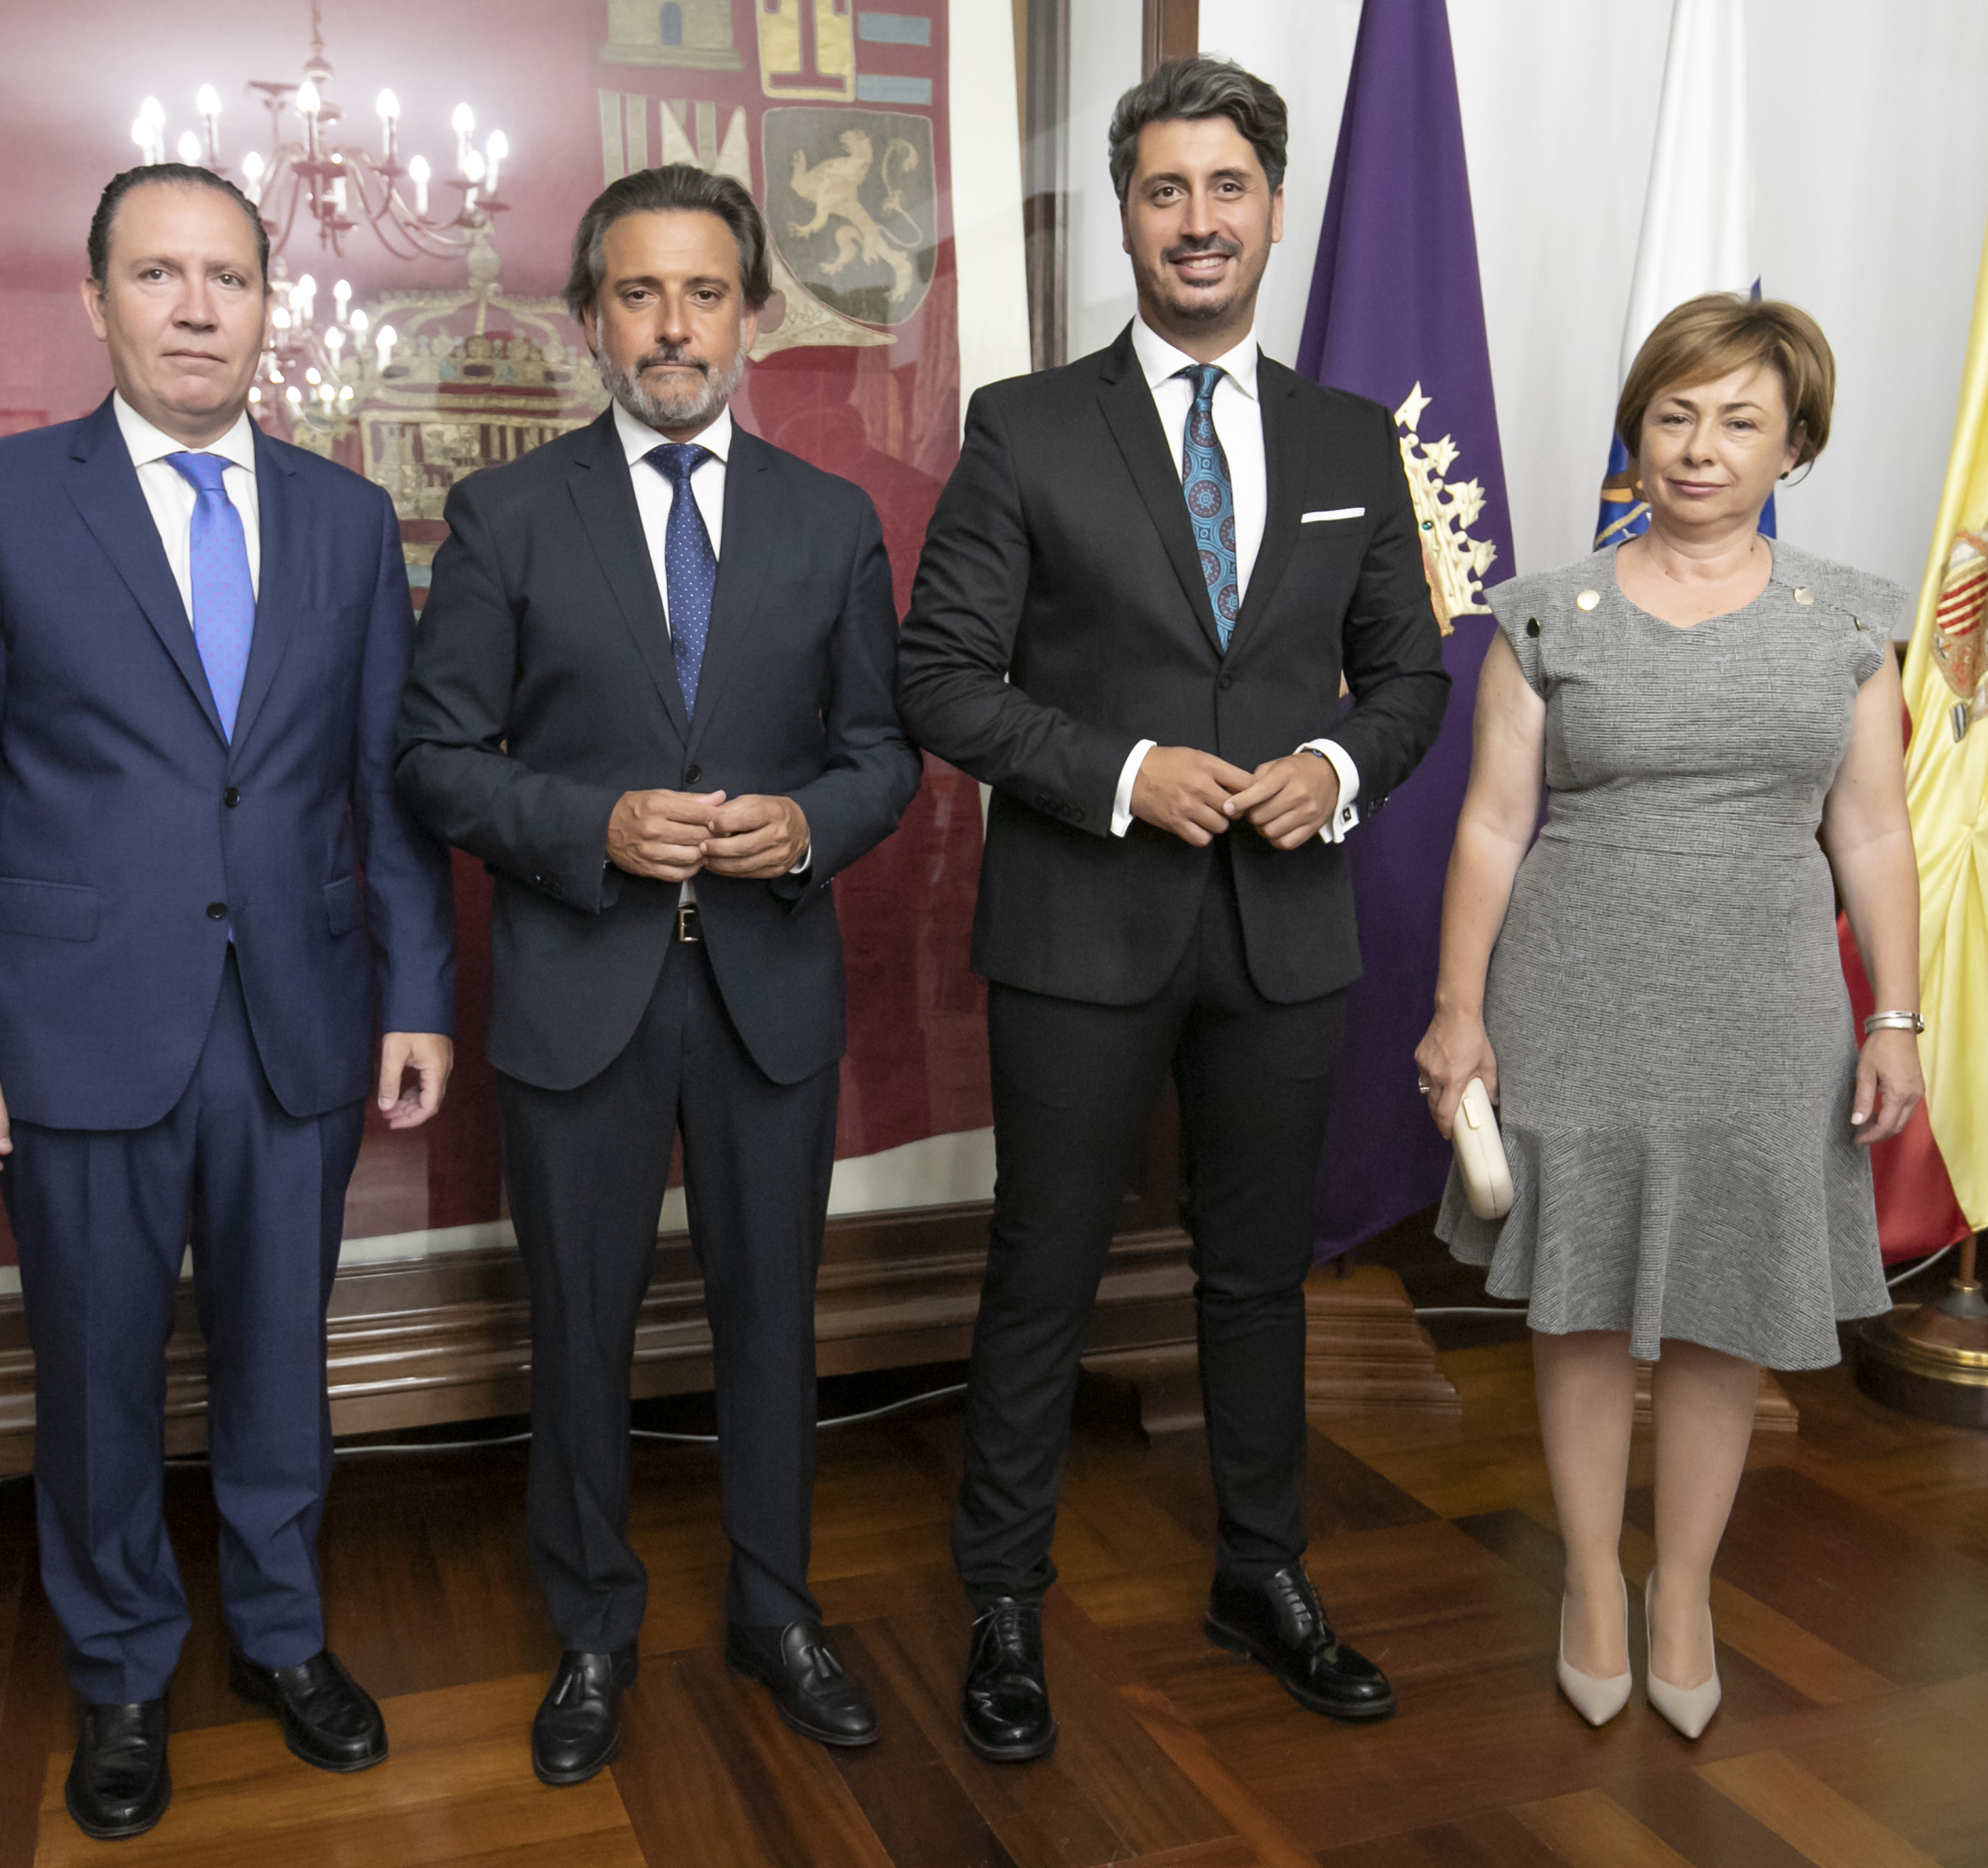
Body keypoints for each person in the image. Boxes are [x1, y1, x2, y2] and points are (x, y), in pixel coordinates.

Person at [0, 166, 455, 1840]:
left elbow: (385, 786)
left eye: (229, 277)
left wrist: (417, 992)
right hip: (70, 1026)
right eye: (157, 275)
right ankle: (121, 1667)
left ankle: (280, 1636)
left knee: (283, 1357)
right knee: (96, 1369)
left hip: (297, 1019)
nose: (197, 308)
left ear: (271, 306)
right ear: (95, 300)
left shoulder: (348, 520)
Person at [897, 57, 1449, 1762]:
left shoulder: (1352, 440)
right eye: (1164, 191)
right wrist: (1126, 772)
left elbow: (1411, 682)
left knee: (1260, 1275)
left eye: (1227, 188)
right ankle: (1003, 1599)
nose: (1197, 220)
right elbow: (940, 678)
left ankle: (1262, 1574)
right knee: (1042, 1269)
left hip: (1285, 932)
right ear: (1125, 219)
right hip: (1081, 923)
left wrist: (1335, 770)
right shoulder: (1026, 426)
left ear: (1273, 211)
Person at [393, 163, 920, 1788]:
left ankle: (776, 1612)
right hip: (579, 992)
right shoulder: (506, 516)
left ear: (754, 315)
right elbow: (432, 759)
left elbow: (884, 754)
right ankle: (593, 1630)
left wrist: (809, 826)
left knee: (773, 1322)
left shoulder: (831, 520)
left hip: (770, 994)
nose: (674, 326)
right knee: (579, 1329)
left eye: (704, 293)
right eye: (640, 294)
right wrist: (593, 826)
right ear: (588, 319)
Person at [1417, 293, 1922, 1741]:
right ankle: (1590, 1577)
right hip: (1575, 999)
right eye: (1675, 414)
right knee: (1577, 1306)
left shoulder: (1849, 620)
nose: (1701, 447)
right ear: (1637, 430)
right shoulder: (1545, 614)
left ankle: (1683, 1588)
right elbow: (1490, 826)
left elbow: (1874, 834)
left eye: (1740, 421)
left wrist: (1898, 1016)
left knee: (1722, 1305)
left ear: (1794, 446)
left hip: (1769, 1009)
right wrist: (1458, 1012)